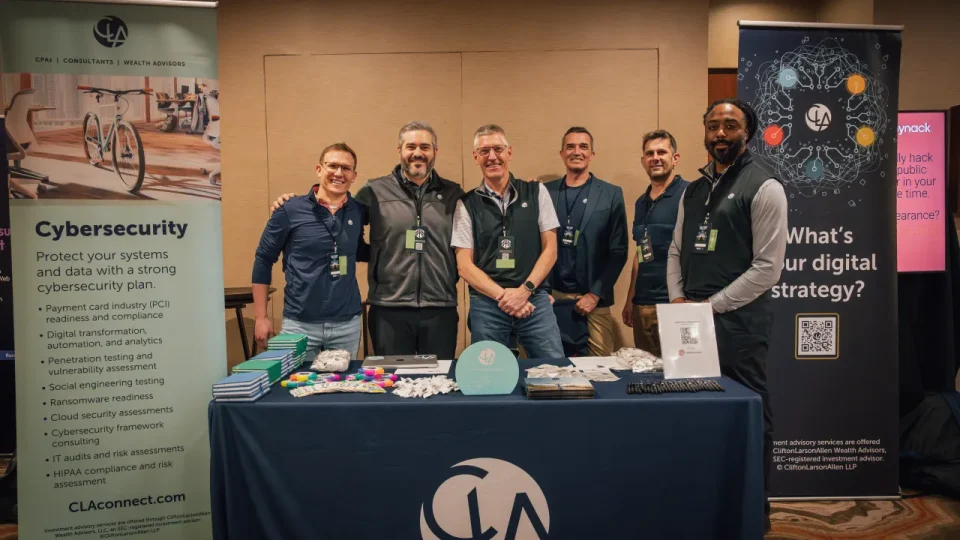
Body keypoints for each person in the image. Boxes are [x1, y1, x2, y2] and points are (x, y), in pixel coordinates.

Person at [666, 98, 788, 531]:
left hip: (740, 324)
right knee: (694, 412)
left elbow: (767, 268)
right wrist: (678, 301)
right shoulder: (693, 189)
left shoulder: (765, 186)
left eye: (730, 126)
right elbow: (676, 250)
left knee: (749, 415)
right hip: (690, 322)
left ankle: (755, 510)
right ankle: (701, 504)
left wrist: (709, 307)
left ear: (747, 133)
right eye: (713, 125)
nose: (720, 133)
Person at [272, 122, 464, 360]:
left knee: (440, 376)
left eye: (425, 147)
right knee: (392, 378)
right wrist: (294, 204)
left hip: (441, 307)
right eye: (411, 146)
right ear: (400, 151)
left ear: (435, 151)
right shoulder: (375, 191)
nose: (417, 153)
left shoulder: (453, 193)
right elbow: (337, 215)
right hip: (388, 308)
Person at [451, 124, 564, 358]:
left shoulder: (536, 191)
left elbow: (551, 250)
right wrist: (506, 297)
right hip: (487, 303)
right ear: (475, 157)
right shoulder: (466, 204)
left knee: (553, 369)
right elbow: (464, 265)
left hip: (534, 298)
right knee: (488, 375)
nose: (492, 157)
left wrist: (524, 291)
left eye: (498, 149)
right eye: (484, 151)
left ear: (509, 152)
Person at [252, 142, 367, 360]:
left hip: (346, 326)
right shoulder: (289, 209)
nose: (338, 173)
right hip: (299, 325)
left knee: (341, 383)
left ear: (354, 176)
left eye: (346, 168)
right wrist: (261, 317)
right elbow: (263, 259)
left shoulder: (359, 211)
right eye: (332, 166)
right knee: (295, 382)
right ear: (319, 169)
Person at [544, 127, 627, 356]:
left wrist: (595, 294)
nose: (576, 151)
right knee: (551, 366)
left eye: (583, 147)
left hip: (593, 299)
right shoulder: (545, 192)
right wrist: (541, 292)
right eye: (570, 146)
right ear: (562, 153)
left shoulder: (611, 194)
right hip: (552, 298)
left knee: (600, 368)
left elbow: (619, 250)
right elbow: (535, 245)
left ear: (592, 154)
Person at [622, 130, 688, 356]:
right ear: (643, 161)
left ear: (675, 158)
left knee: (679, 370)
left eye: (662, 152)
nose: (655, 158)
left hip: (674, 303)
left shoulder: (689, 195)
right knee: (646, 371)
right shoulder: (641, 203)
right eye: (650, 153)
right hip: (643, 305)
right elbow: (640, 252)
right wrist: (631, 298)